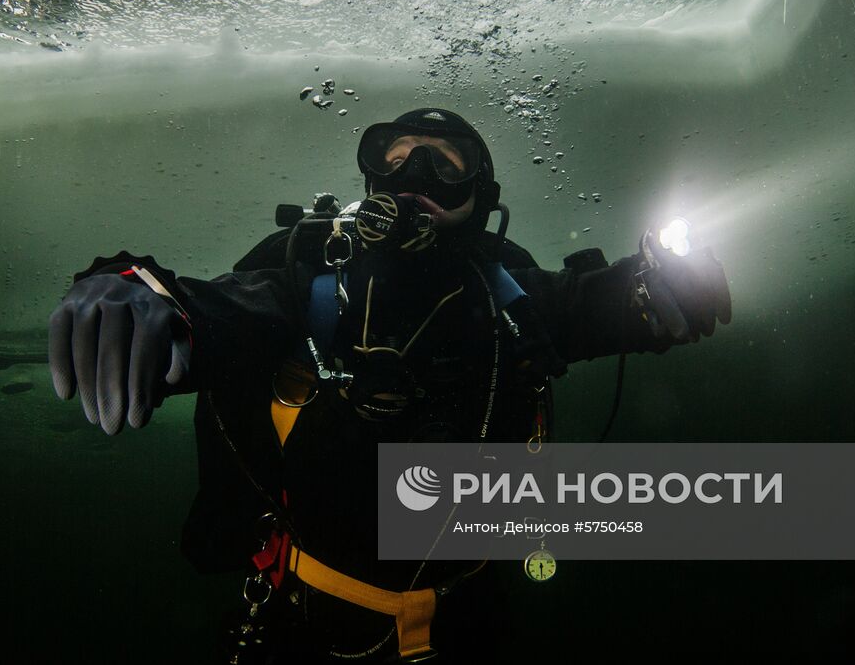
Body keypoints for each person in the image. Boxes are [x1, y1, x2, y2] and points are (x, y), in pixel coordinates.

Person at [48, 108, 731, 663]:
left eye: (445, 164)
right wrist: (134, 287)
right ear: (370, 174)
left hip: (470, 620)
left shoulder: (508, 295)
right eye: (396, 157)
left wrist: (656, 286)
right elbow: (222, 307)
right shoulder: (310, 272)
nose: (416, 178)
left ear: (477, 197)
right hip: (309, 626)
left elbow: (591, 302)